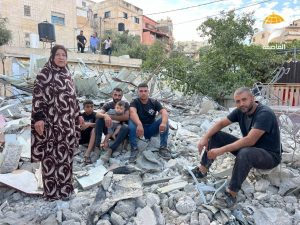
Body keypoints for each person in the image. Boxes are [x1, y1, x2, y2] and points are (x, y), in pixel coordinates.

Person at [193, 87, 281, 208]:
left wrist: (220, 151)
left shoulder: (264, 113)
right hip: (251, 149)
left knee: (245, 152)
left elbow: (250, 140)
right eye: (238, 101)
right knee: (216, 135)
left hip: (269, 156)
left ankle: (231, 194)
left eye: (244, 100)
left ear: (252, 98)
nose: (241, 104)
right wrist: (205, 137)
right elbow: (221, 123)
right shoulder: (241, 111)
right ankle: (202, 171)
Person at [31, 45, 83, 201]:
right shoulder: (44, 74)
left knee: (66, 156)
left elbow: (74, 97)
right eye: (58, 55)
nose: (61, 57)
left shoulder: (67, 74)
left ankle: (66, 190)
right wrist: (38, 118)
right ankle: (52, 194)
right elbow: (38, 96)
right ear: (52, 57)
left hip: (67, 124)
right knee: (51, 158)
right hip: (51, 123)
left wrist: (78, 114)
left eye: (64, 55)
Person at [128, 83, 172, 163]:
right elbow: (132, 112)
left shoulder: (154, 102)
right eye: (141, 91)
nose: (143, 93)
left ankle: (163, 147)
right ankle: (134, 148)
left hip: (151, 128)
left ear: (148, 91)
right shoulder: (134, 102)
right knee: (131, 121)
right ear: (138, 92)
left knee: (164, 120)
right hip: (139, 130)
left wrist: (163, 123)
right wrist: (139, 124)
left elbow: (164, 112)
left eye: (145, 91)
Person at [94, 88, 129, 163]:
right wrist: (105, 116)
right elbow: (97, 114)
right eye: (115, 95)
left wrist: (109, 116)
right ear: (112, 95)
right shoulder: (109, 104)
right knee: (99, 120)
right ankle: (97, 146)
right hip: (109, 128)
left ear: (122, 96)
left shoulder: (125, 104)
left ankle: (111, 150)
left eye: (119, 95)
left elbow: (126, 117)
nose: (117, 97)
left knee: (126, 127)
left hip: (119, 131)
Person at [79, 100, 96, 165]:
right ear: (84, 108)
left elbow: (99, 125)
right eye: (88, 107)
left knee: (94, 129)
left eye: (92, 107)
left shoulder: (96, 115)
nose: (90, 108)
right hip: (82, 137)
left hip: (91, 138)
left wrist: (88, 124)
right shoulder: (81, 116)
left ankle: (88, 152)